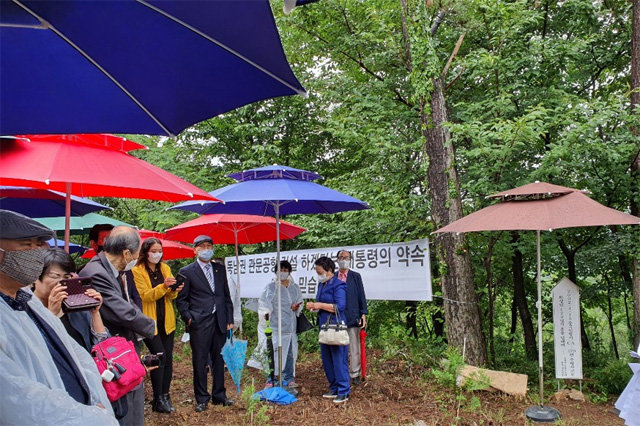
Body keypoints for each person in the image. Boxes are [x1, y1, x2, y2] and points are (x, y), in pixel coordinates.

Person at [0, 209, 117, 425]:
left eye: (40, 245)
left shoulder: (27, 301)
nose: (37, 253)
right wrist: (88, 417)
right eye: (27, 245)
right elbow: (17, 399)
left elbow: (77, 357)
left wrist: (94, 405)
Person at [80, 226, 156, 426]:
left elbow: (131, 301)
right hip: (110, 354)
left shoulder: (115, 270)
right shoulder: (95, 272)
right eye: (137, 254)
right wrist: (151, 326)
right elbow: (121, 311)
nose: (136, 259)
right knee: (123, 409)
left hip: (123, 348)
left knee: (133, 402)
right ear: (126, 253)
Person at [176, 235, 234, 412]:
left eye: (209, 246)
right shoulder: (186, 271)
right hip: (199, 322)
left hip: (220, 321)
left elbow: (225, 295)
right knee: (200, 361)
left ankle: (219, 395)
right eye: (202, 247)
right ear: (195, 250)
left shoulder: (219, 269)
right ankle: (202, 398)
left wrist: (229, 318)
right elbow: (181, 300)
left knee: (219, 359)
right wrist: (189, 318)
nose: (207, 249)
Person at [132, 237, 183, 413]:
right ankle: (158, 397)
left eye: (159, 251)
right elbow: (144, 296)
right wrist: (163, 286)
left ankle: (165, 396)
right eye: (154, 251)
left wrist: (174, 290)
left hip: (166, 321)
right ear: (145, 252)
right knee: (159, 357)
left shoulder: (165, 268)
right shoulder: (137, 271)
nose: (157, 254)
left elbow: (170, 297)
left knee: (167, 359)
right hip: (149, 323)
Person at [33, 248, 109, 352]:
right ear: (35, 278)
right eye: (55, 276)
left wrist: (95, 313)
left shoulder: (75, 306)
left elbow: (103, 345)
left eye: (67, 277)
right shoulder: (27, 310)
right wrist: (51, 315)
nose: (61, 282)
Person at [306, 256, 350, 403]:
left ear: (329, 270)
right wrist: (314, 306)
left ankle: (344, 391)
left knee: (338, 359)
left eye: (320, 272)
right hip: (323, 326)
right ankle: (334, 388)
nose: (319, 275)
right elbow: (321, 303)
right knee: (327, 360)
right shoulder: (322, 285)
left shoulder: (339, 285)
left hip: (336, 326)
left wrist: (319, 305)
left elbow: (340, 306)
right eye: (317, 272)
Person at [259, 260, 303, 388]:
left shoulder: (294, 288)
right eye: (280, 270)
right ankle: (270, 379)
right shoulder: (271, 287)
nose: (283, 273)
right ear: (276, 272)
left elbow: (300, 301)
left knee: (289, 354)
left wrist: (297, 307)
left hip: (290, 328)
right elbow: (264, 304)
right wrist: (266, 313)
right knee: (272, 354)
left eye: (285, 270)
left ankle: (289, 378)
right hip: (275, 327)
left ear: (289, 272)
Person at [88, 224, 142, 310]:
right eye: (106, 240)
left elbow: (134, 297)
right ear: (93, 244)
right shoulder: (96, 272)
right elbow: (117, 309)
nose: (112, 243)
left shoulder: (125, 269)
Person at [336, 249, 368, 385]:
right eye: (341, 257)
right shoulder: (333, 277)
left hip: (353, 315)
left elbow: (361, 295)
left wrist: (363, 314)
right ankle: (340, 373)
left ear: (350, 259)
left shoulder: (355, 276)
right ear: (337, 260)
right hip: (336, 317)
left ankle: (354, 373)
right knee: (337, 347)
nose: (344, 259)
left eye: (346, 257)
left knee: (354, 347)